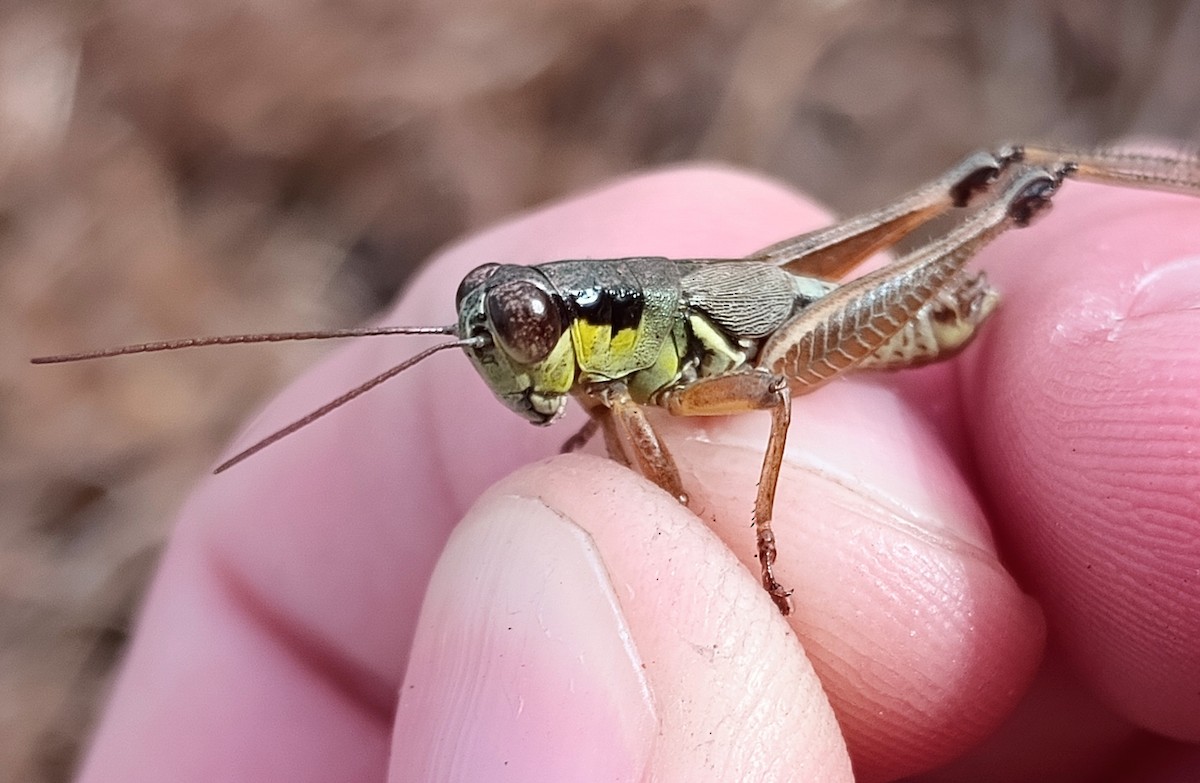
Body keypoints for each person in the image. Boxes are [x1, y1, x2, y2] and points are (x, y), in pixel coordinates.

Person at [76, 167, 1200, 781]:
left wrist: (765, 542)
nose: (515, 356)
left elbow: (768, 394)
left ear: (584, 321)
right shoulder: (602, 364)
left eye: (523, 331)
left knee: (1015, 180)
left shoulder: (642, 349)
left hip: (871, 317)